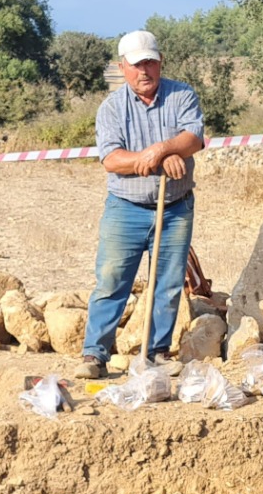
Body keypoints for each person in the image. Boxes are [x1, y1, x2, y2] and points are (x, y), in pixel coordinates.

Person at [78, 29, 206, 379]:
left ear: (160, 61)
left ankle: (158, 352)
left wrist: (161, 150)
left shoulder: (182, 95)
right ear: (123, 67)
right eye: (136, 65)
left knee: (167, 282)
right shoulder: (112, 108)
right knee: (111, 279)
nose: (144, 71)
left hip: (175, 206)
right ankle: (95, 354)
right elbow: (112, 160)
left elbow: (193, 138)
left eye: (150, 62)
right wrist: (159, 159)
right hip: (126, 208)